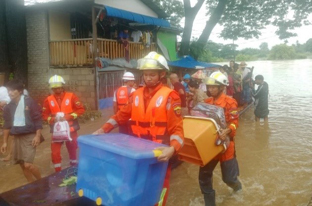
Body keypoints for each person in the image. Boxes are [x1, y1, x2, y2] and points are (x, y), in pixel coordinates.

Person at [93, 51, 184, 206]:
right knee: (135, 188)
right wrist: (103, 129)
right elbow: (120, 116)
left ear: (162, 74)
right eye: (145, 74)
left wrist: (172, 149)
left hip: (159, 154)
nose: (148, 78)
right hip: (136, 152)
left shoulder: (171, 96)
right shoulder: (135, 95)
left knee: (158, 192)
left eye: (152, 75)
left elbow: (177, 130)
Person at [200, 71, 242, 206]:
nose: (210, 89)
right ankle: (210, 204)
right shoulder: (206, 102)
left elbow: (235, 122)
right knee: (204, 176)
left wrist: (227, 130)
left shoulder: (230, 102)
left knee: (229, 179)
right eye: (209, 86)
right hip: (210, 144)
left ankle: (238, 188)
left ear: (222, 87)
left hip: (226, 145)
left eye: (214, 87)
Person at [1, 80, 42, 183]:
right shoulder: (8, 107)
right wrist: (5, 142)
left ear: (19, 91)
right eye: (9, 90)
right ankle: (31, 185)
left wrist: (37, 136)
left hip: (29, 136)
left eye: (13, 90)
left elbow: (37, 119)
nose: (10, 93)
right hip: (16, 137)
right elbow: (7, 125)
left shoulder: (29, 102)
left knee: (28, 164)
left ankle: (41, 182)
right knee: (22, 165)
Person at [42, 75, 85, 172]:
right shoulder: (48, 100)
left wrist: (69, 116)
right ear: (52, 88)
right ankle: (58, 172)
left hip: (71, 129)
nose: (57, 89)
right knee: (55, 152)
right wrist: (53, 119)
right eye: (54, 88)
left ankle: (74, 168)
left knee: (73, 148)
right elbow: (44, 115)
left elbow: (81, 109)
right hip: (57, 130)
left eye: (59, 87)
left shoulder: (71, 96)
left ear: (62, 86)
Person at [0, 87, 12, 161]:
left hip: (9, 122)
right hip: (4, 122)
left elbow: (3, 103)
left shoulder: (8, 100)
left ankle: (10, 155)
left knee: (13, 137)